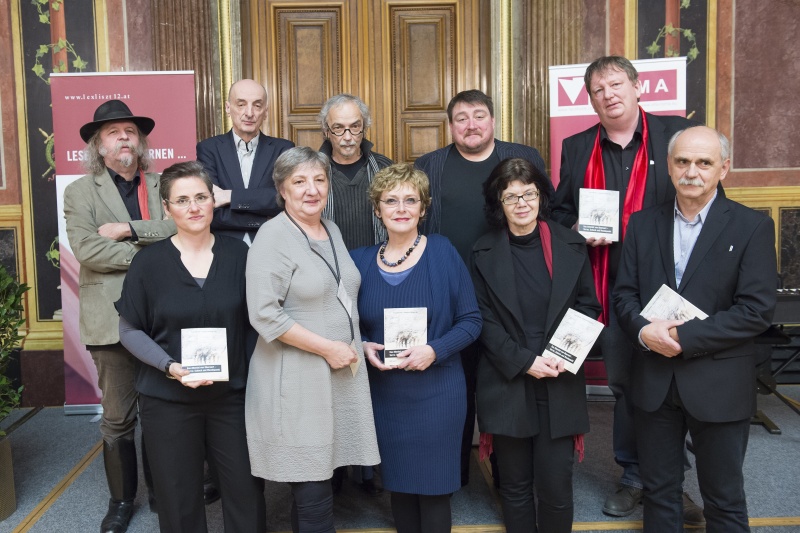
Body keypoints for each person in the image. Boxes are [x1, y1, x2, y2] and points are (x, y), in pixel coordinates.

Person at [550, 55, 703, 524]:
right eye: (597, 89)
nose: (608, 94)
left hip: (668, 287)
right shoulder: (577, 148)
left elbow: (701, 194)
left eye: (616, 84)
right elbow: (556, 216)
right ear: (590, 99)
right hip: (606, 286)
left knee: (670, 387)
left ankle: (671, 485)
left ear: (638, 88)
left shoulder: (674, 135)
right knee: (625, 385)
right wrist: (576, 227)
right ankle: (636, 477)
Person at [613, 126, 776, 532]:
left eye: (704, 162)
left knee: (723, 501)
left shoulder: (752, 226)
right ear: (669, 166)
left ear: (723, 168)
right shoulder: (642, 223)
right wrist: (641, 331)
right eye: (682, 161)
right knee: (660, 495)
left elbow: (755, 311)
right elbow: (624, 296)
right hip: (654, 383)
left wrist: (682, 338)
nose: (692, 171)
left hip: (719, 383)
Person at [114, 161, 266, 532]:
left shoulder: (241, 257)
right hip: (168, 399)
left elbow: (258, 325)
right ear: (166, 208)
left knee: (246, 494)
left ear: (214, 201)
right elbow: (129, 329)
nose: (194, 207)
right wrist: (170, 366)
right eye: (182, 200)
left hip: (232, 399)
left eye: (201, 197)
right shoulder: (147, 263)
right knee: (178, 500)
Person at [414, 89, 550, 486]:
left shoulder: (522, 157)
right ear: (451, 125)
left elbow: (546, 213)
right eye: (461, 118)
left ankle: (512, 478)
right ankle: (453, 475)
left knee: (503, 385)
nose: (470, 125)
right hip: (450, 295)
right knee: (455, 389)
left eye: (478, 116)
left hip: (509, 295)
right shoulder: (430, 165)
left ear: (493, 120)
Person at [245, 146, 380, 532]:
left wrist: (357, 342)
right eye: (299, 181)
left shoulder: (331, 229)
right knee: (312, 487)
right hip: (297, 376)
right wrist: (327, 347)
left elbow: (339, 296)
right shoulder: (273, 236)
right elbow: (264, 314)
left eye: (319, 180)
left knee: (321, 482)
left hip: (338, 371)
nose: (312, 189)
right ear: (282, 190)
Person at [350, 163, 482, 533]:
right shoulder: (358, 261)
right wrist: (361, 345)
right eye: (391, 200)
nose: (401, 208)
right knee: (400, 488)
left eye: (411, 200)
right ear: (377, 209)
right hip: (386, 393)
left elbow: (472, 321)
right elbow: (345, 326)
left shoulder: (442, 252)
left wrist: (434, 350)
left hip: (438, 391)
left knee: (435, 490)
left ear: (423, 208)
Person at [63, 99, 176, 533]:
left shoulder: (164, 182)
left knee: (165, 412)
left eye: (130, 130)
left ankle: (166, 493)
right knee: (117, 415)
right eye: (113, 132)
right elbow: (88, 249)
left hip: (164, 316)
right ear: (98, 144)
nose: (124, 137)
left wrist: (128, 229)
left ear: (141, 140)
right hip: (109, 321)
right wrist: (149, 254)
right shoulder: (80, 191)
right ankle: (121, 501)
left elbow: (180, 227)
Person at [470, 158, 600, 532]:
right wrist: (526, 361)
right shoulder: (482, 251)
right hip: (507, 377)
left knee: (556, 486)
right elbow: (483, 319)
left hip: (559, 377)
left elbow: (588, 306)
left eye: (529, 193)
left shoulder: (571, 244)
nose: (522, 203)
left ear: (541, 195)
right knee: (514, 485)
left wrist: (559, 356)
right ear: (499, 202)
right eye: (511, 196)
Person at [197, 78, 295, 245]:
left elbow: (284, 199)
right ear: (228, 108)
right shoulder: (209, 149)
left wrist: (229, 196)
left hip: (273, 246)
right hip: (223, 247)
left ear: (265, 111)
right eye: (241, 104)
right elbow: (210, 208)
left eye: (257, 105)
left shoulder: (283, 149)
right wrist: (264, 217)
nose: (249, 113)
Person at [318, 93, 394, 250]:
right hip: (327, 266)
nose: (347, 137)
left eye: (354, 127)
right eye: (338, 128)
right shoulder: (312, 171)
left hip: (378, 264)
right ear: (327, 131)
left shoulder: (385, 168)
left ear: (364, 128)